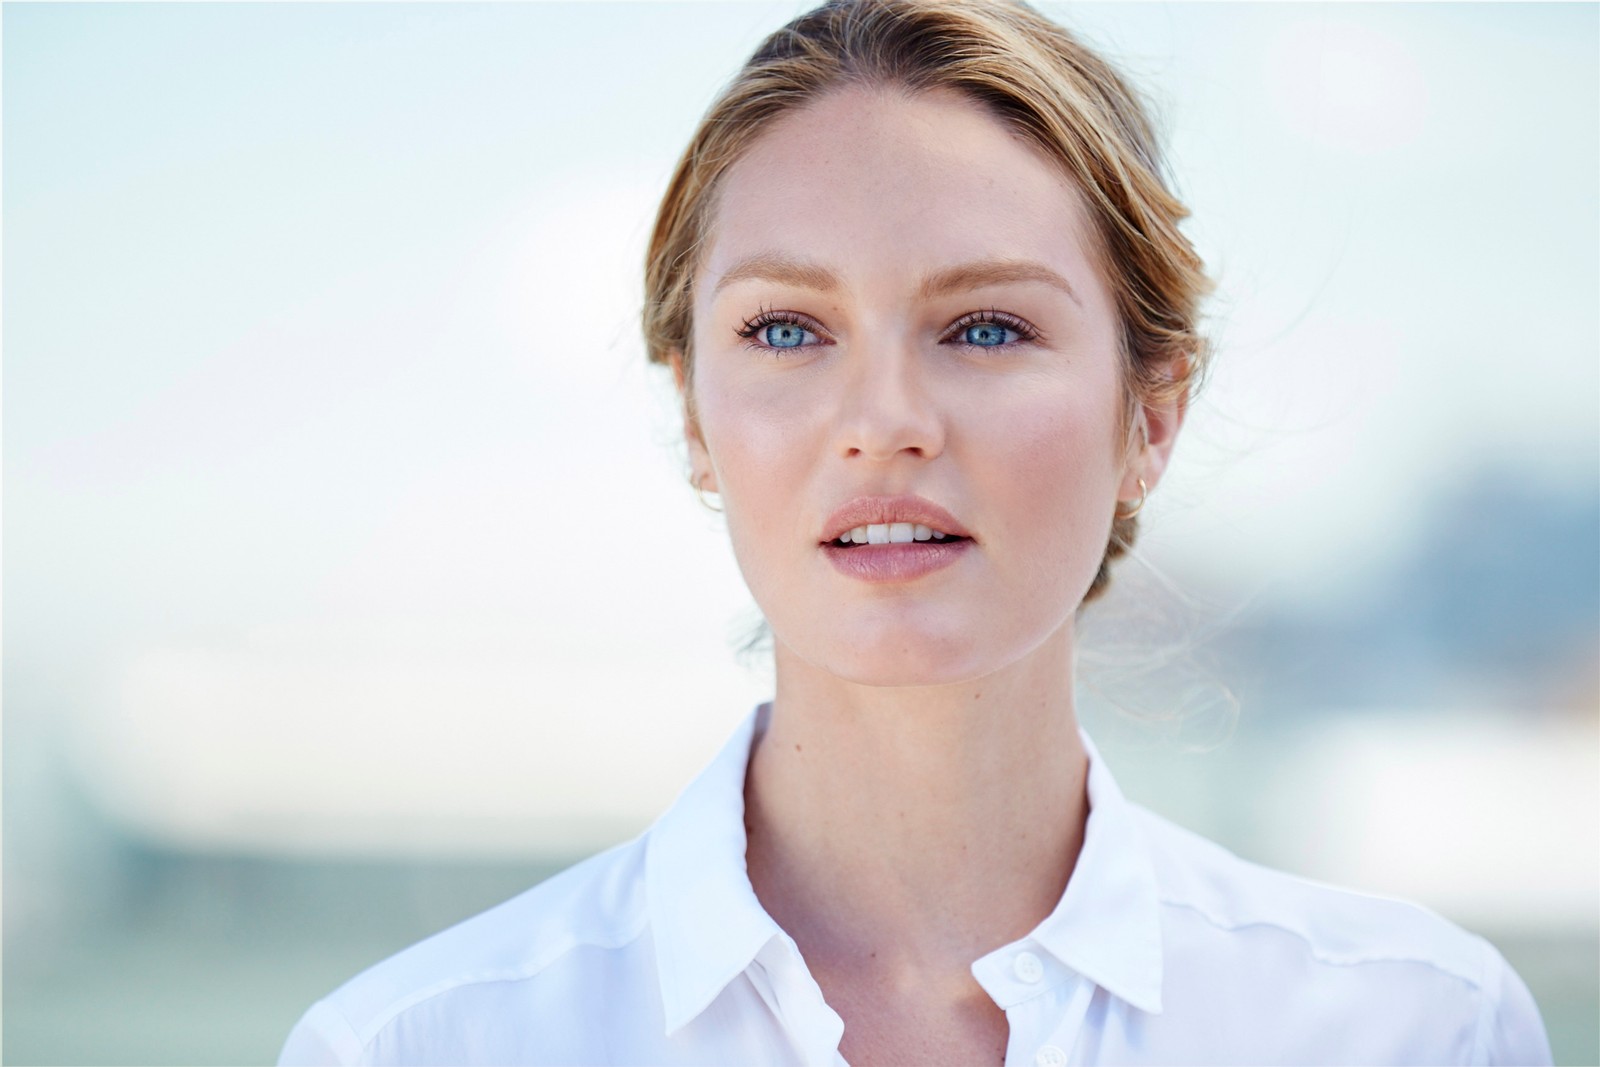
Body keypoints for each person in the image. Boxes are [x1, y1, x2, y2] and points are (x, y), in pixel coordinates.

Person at [279, 1, 1553, 1063]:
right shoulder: (418, 1045)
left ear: (1150, 415)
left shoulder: (1416, 1027)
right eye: (787, 329)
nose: (883, 421)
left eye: (985, 327)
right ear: (695, 419)